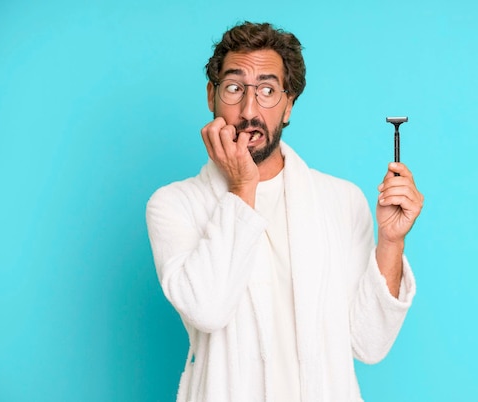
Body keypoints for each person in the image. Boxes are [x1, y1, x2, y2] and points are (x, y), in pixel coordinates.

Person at [146, 21, 424, 402]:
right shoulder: (174, 204)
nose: (249, 109)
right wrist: (243, 187)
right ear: (212, 96)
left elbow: (369, 344)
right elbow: (207, 309)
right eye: (233, 88)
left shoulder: (341, 200)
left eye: (266, 90)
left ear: (289, 104)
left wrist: (391, 242)